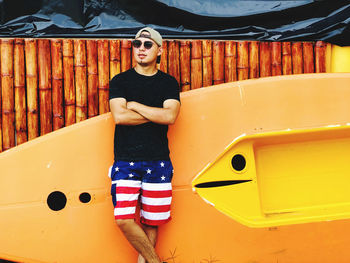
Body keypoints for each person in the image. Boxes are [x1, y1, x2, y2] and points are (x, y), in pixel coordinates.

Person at [108, 27, 181, 263]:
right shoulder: (120, 81)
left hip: (158, 160)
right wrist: (156, 113)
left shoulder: (168, 83)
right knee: (123, 218)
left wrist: (136, 106)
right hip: (125, 159)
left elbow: (170, 117)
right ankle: (156, 261)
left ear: (160, 50)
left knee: (152, 221)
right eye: (137, 44)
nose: (141, 48)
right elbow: (120, 117)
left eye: (148, 45)